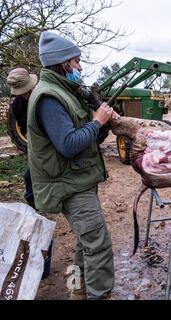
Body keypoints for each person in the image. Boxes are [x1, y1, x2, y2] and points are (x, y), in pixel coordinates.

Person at [27, 31, 120, 300]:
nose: (80, 67)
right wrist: (97, 122)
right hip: (68, 186)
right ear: (63, 62)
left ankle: (76, 292)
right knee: (98, 245)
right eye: (76, 61)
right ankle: (99, 295)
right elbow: (68, 144)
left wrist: (102, 124)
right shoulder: (49, 98)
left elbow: (85, 139)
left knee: (84, 243)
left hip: (78, 180)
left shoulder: (65, 92)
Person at [6, 68, 38, 208]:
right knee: (29, 177)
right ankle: (33, 205)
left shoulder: (42, 95)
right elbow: (25, 131)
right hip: (37, 143)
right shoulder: (18, 106)